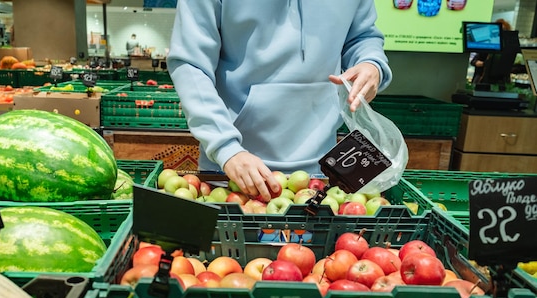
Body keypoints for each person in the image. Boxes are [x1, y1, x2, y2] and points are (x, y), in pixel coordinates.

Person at [167, 0, 392, 202]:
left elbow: (362, 37)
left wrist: (371, 63)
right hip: (231, 174)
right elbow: (190, 65)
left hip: (321, 174)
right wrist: (227, 148)